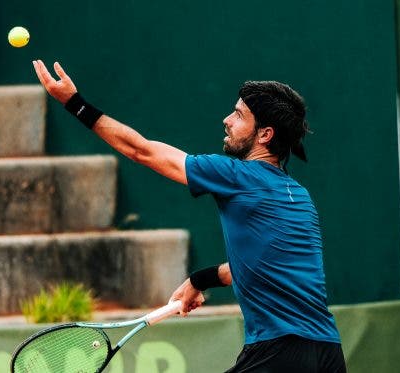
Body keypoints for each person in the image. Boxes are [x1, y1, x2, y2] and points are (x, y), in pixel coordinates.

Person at [32, 60, 346, 372]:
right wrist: (200, 280)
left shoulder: (238, 176)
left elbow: (141, 150)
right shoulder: (299, 197)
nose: (227, 120)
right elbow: (260, 265)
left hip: (279, 351)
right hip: (327, 353)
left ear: (264, 134)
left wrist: (74, 103)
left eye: (238, 115)